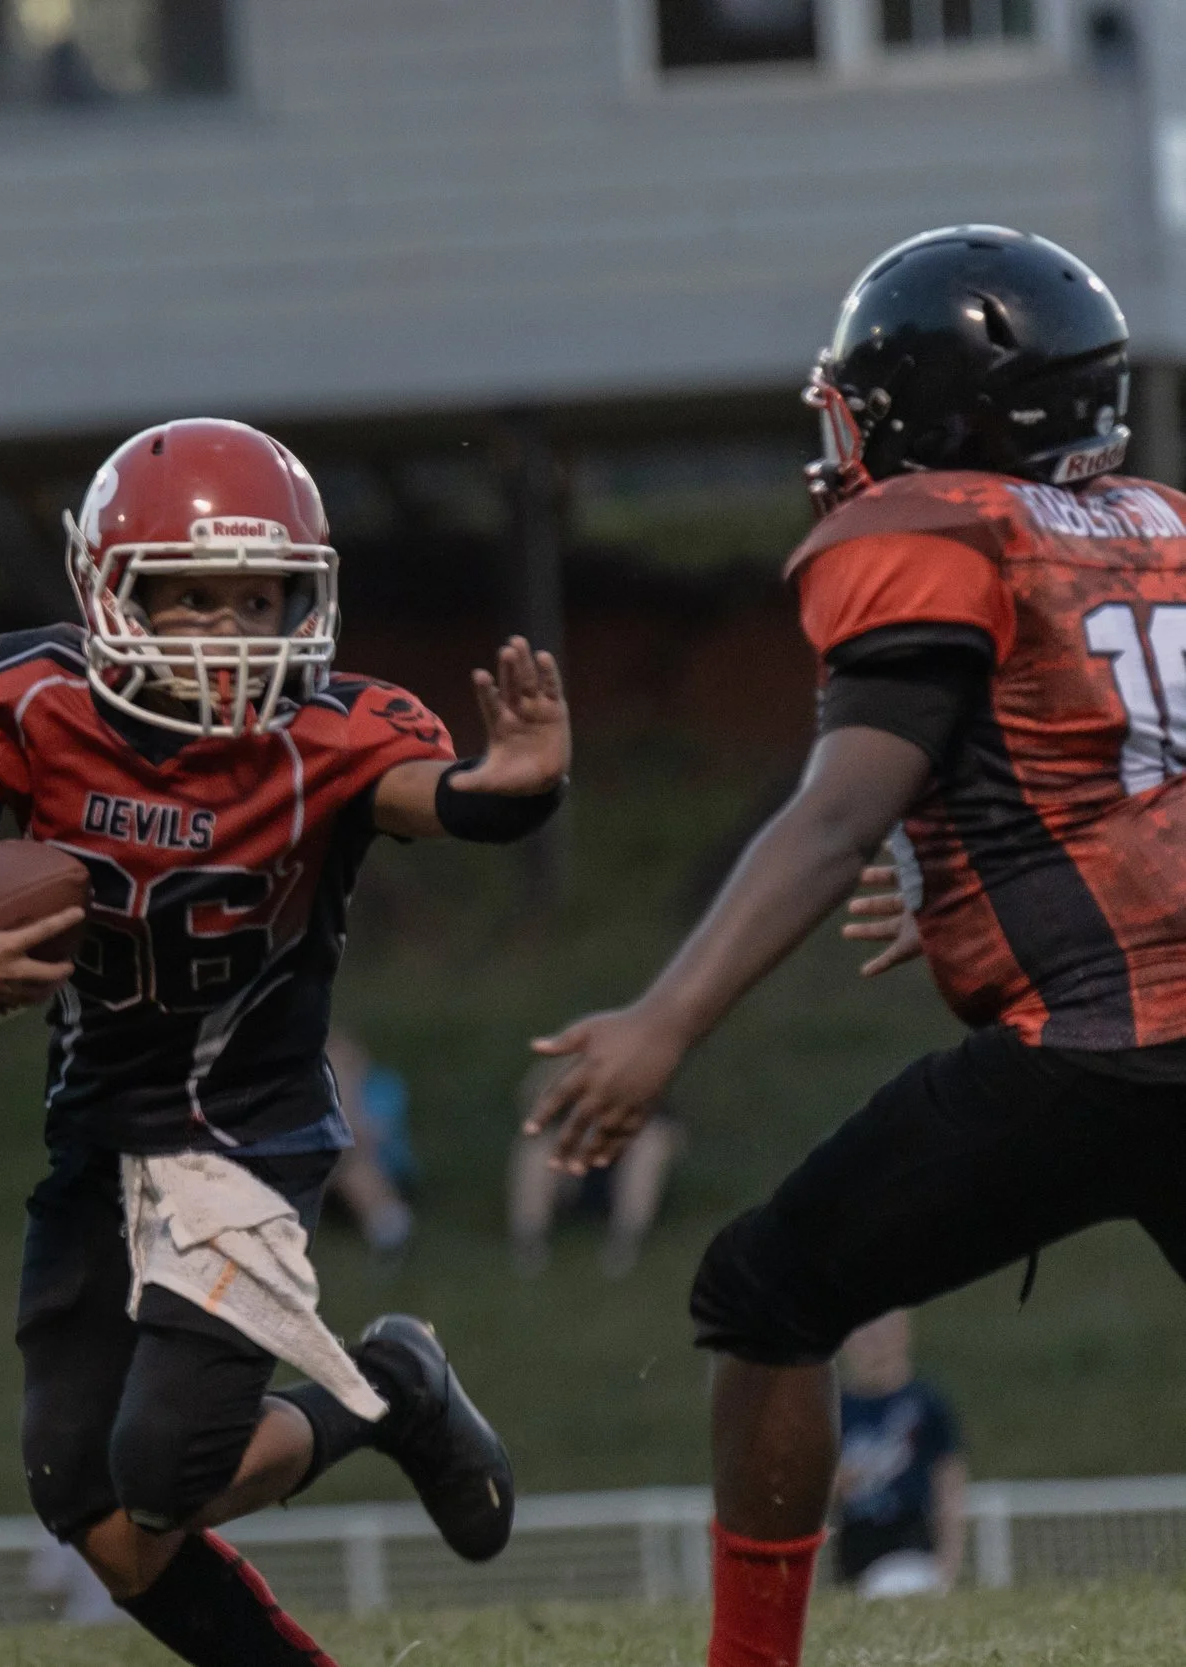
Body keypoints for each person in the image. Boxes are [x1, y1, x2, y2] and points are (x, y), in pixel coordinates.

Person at [0, 418, 570, 1667]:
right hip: (98, 1142)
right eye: (190, 597)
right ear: (110, 593)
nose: (225, 629)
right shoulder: (36, 707)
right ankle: (389, 1392)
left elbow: (455, 801)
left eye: (256, 598)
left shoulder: (329, 736)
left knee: (160, 1473)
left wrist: (523, 779)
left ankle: (385, 1389)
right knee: (94, 1515)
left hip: (246, 1144)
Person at [526, 224, 1186, 1667]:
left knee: (766, 1291)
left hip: (1092, 1047)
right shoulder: (1161, 526)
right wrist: (967, 874)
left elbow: (833, 812)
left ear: (931, 414)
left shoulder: (928, 528)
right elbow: (1112, 763)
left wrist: (666, 1020)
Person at [507, 1058, 684, 1278]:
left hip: (620, 1175)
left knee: (651, 1144)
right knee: (536, 1150)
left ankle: (625, 1239)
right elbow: (534, 1110)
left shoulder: (644, 1074)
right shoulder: (565, 1068)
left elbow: (668, 1130)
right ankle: (530, 1238)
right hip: (572, 1177)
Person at [832, 1310, 966, 1598]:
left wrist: (950, 1560)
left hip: (911, 1541)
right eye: (865, 1337)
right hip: (854, 1545)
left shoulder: (925, 1403)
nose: (875, 1345)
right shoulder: (836, 1410)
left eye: (884, 1333)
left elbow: (949, 1485)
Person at [320, 1030, 415, 1261]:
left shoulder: (383, 1088)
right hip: (323, 1179)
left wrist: (346, 1093)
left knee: (350, 1160)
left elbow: (369, 1138)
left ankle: (389, 1228)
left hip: (382, 1169)